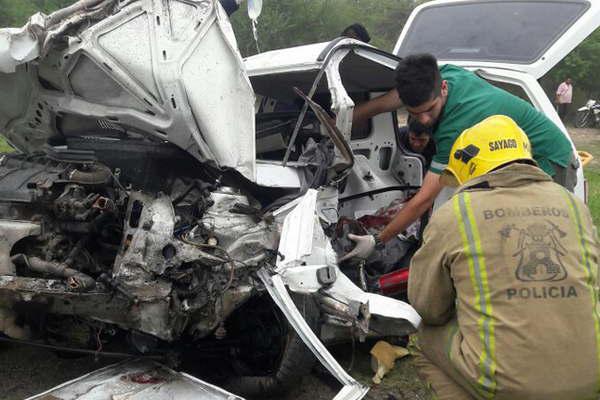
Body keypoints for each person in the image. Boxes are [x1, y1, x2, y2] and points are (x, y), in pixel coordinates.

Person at [407, 115, 600, 400]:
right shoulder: (573, 204)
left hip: (510, 385)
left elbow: (429, 307)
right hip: (592, 377)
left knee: (421, 337)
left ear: (470, 168)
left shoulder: (455, 212)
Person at [340, 54, 577, 261]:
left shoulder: (456, 126)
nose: (422, 120)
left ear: (443, 89)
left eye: (429, 110)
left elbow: (424, 200)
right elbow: (388, 101)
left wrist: (377, 241)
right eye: (414, 113)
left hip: (549, 159)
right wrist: (337, 122)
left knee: (540, 237)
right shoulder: (443, 74)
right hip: (508, 157)